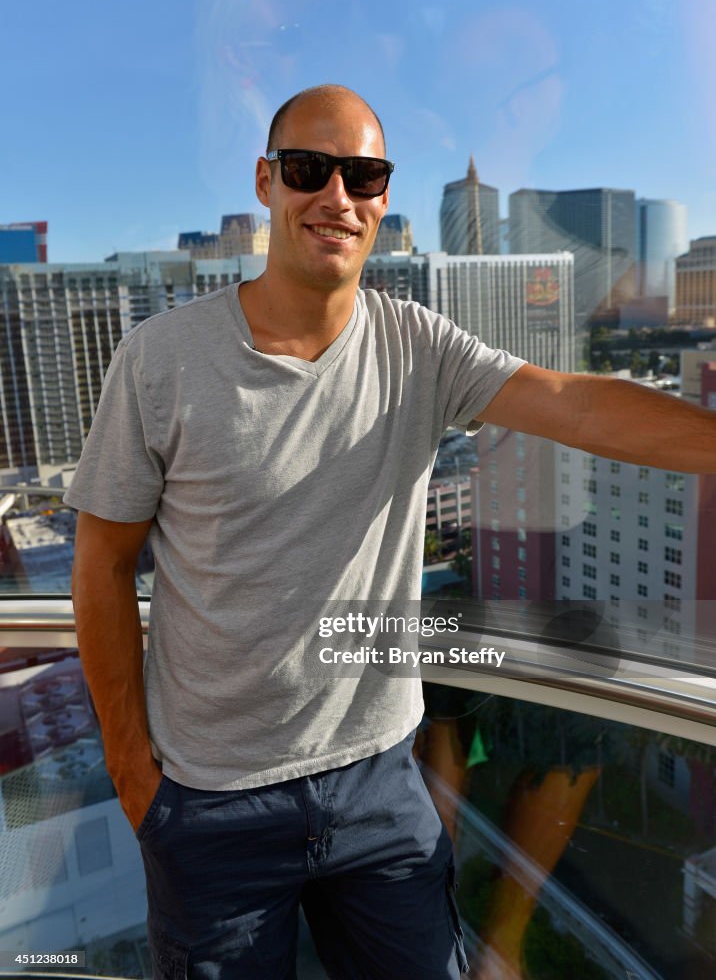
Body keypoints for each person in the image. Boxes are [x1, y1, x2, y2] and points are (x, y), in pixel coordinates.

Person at [67, 84, 716, 980]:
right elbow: (100, 564)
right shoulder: (163, 358)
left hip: (380, 787)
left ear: (383, 198)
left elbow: (573, 402)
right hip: (211, 804)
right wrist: (135, 772)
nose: (337, 197)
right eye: (309, 170)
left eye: (364, 175)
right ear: (266, 181)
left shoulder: (417, 346)